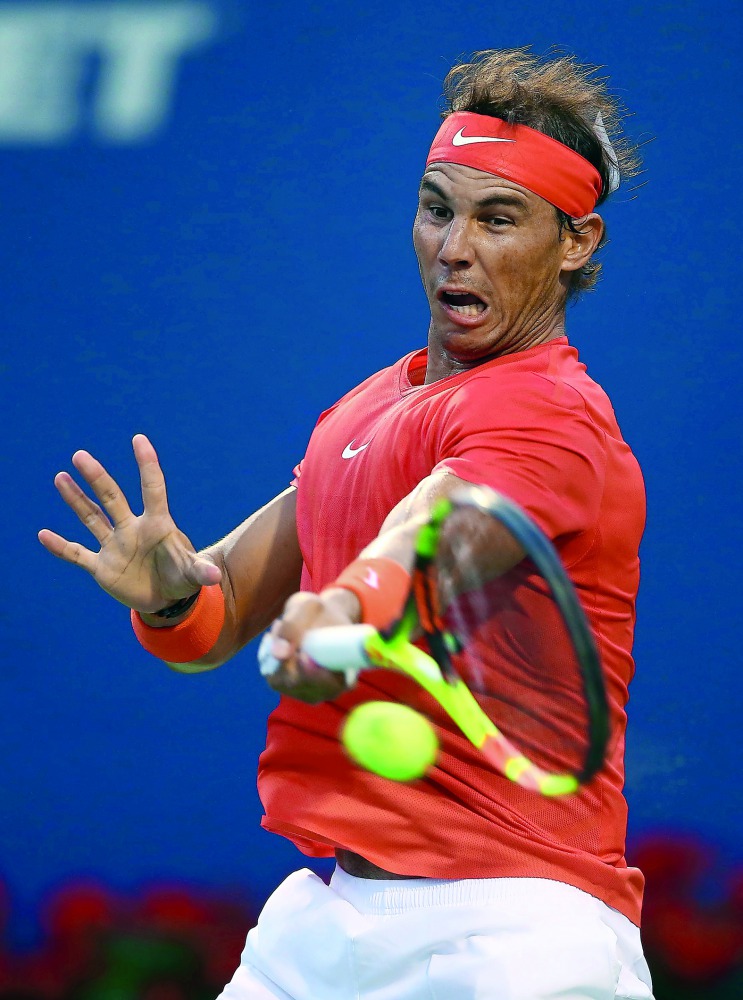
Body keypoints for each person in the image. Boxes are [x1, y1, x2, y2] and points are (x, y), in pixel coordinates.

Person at [39, 47, 655, 1000]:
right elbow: (223, 606)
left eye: (499, 220)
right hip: (334, 924)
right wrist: (170, 595)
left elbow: (443, 528)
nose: (454, 246)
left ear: (575, 243)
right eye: (436, 207)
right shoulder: (365, 409)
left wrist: (351, 610)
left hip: (514, 930)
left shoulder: (551, 414)